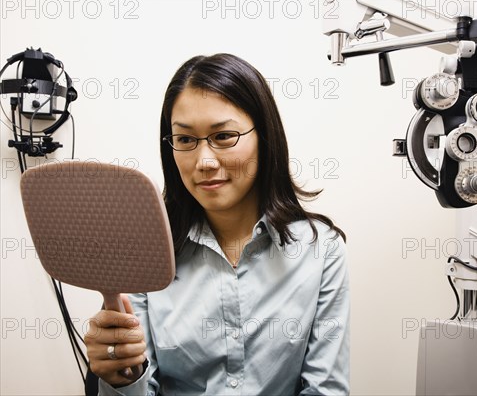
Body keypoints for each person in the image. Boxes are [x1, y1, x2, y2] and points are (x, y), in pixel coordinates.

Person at [84, 53, 350, 395]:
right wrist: (121, 378)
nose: (204, 161)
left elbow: (324, 390)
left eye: (224, 136)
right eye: (185, 140)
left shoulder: (321, 250)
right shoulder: (143, 249)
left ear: (264, 137)